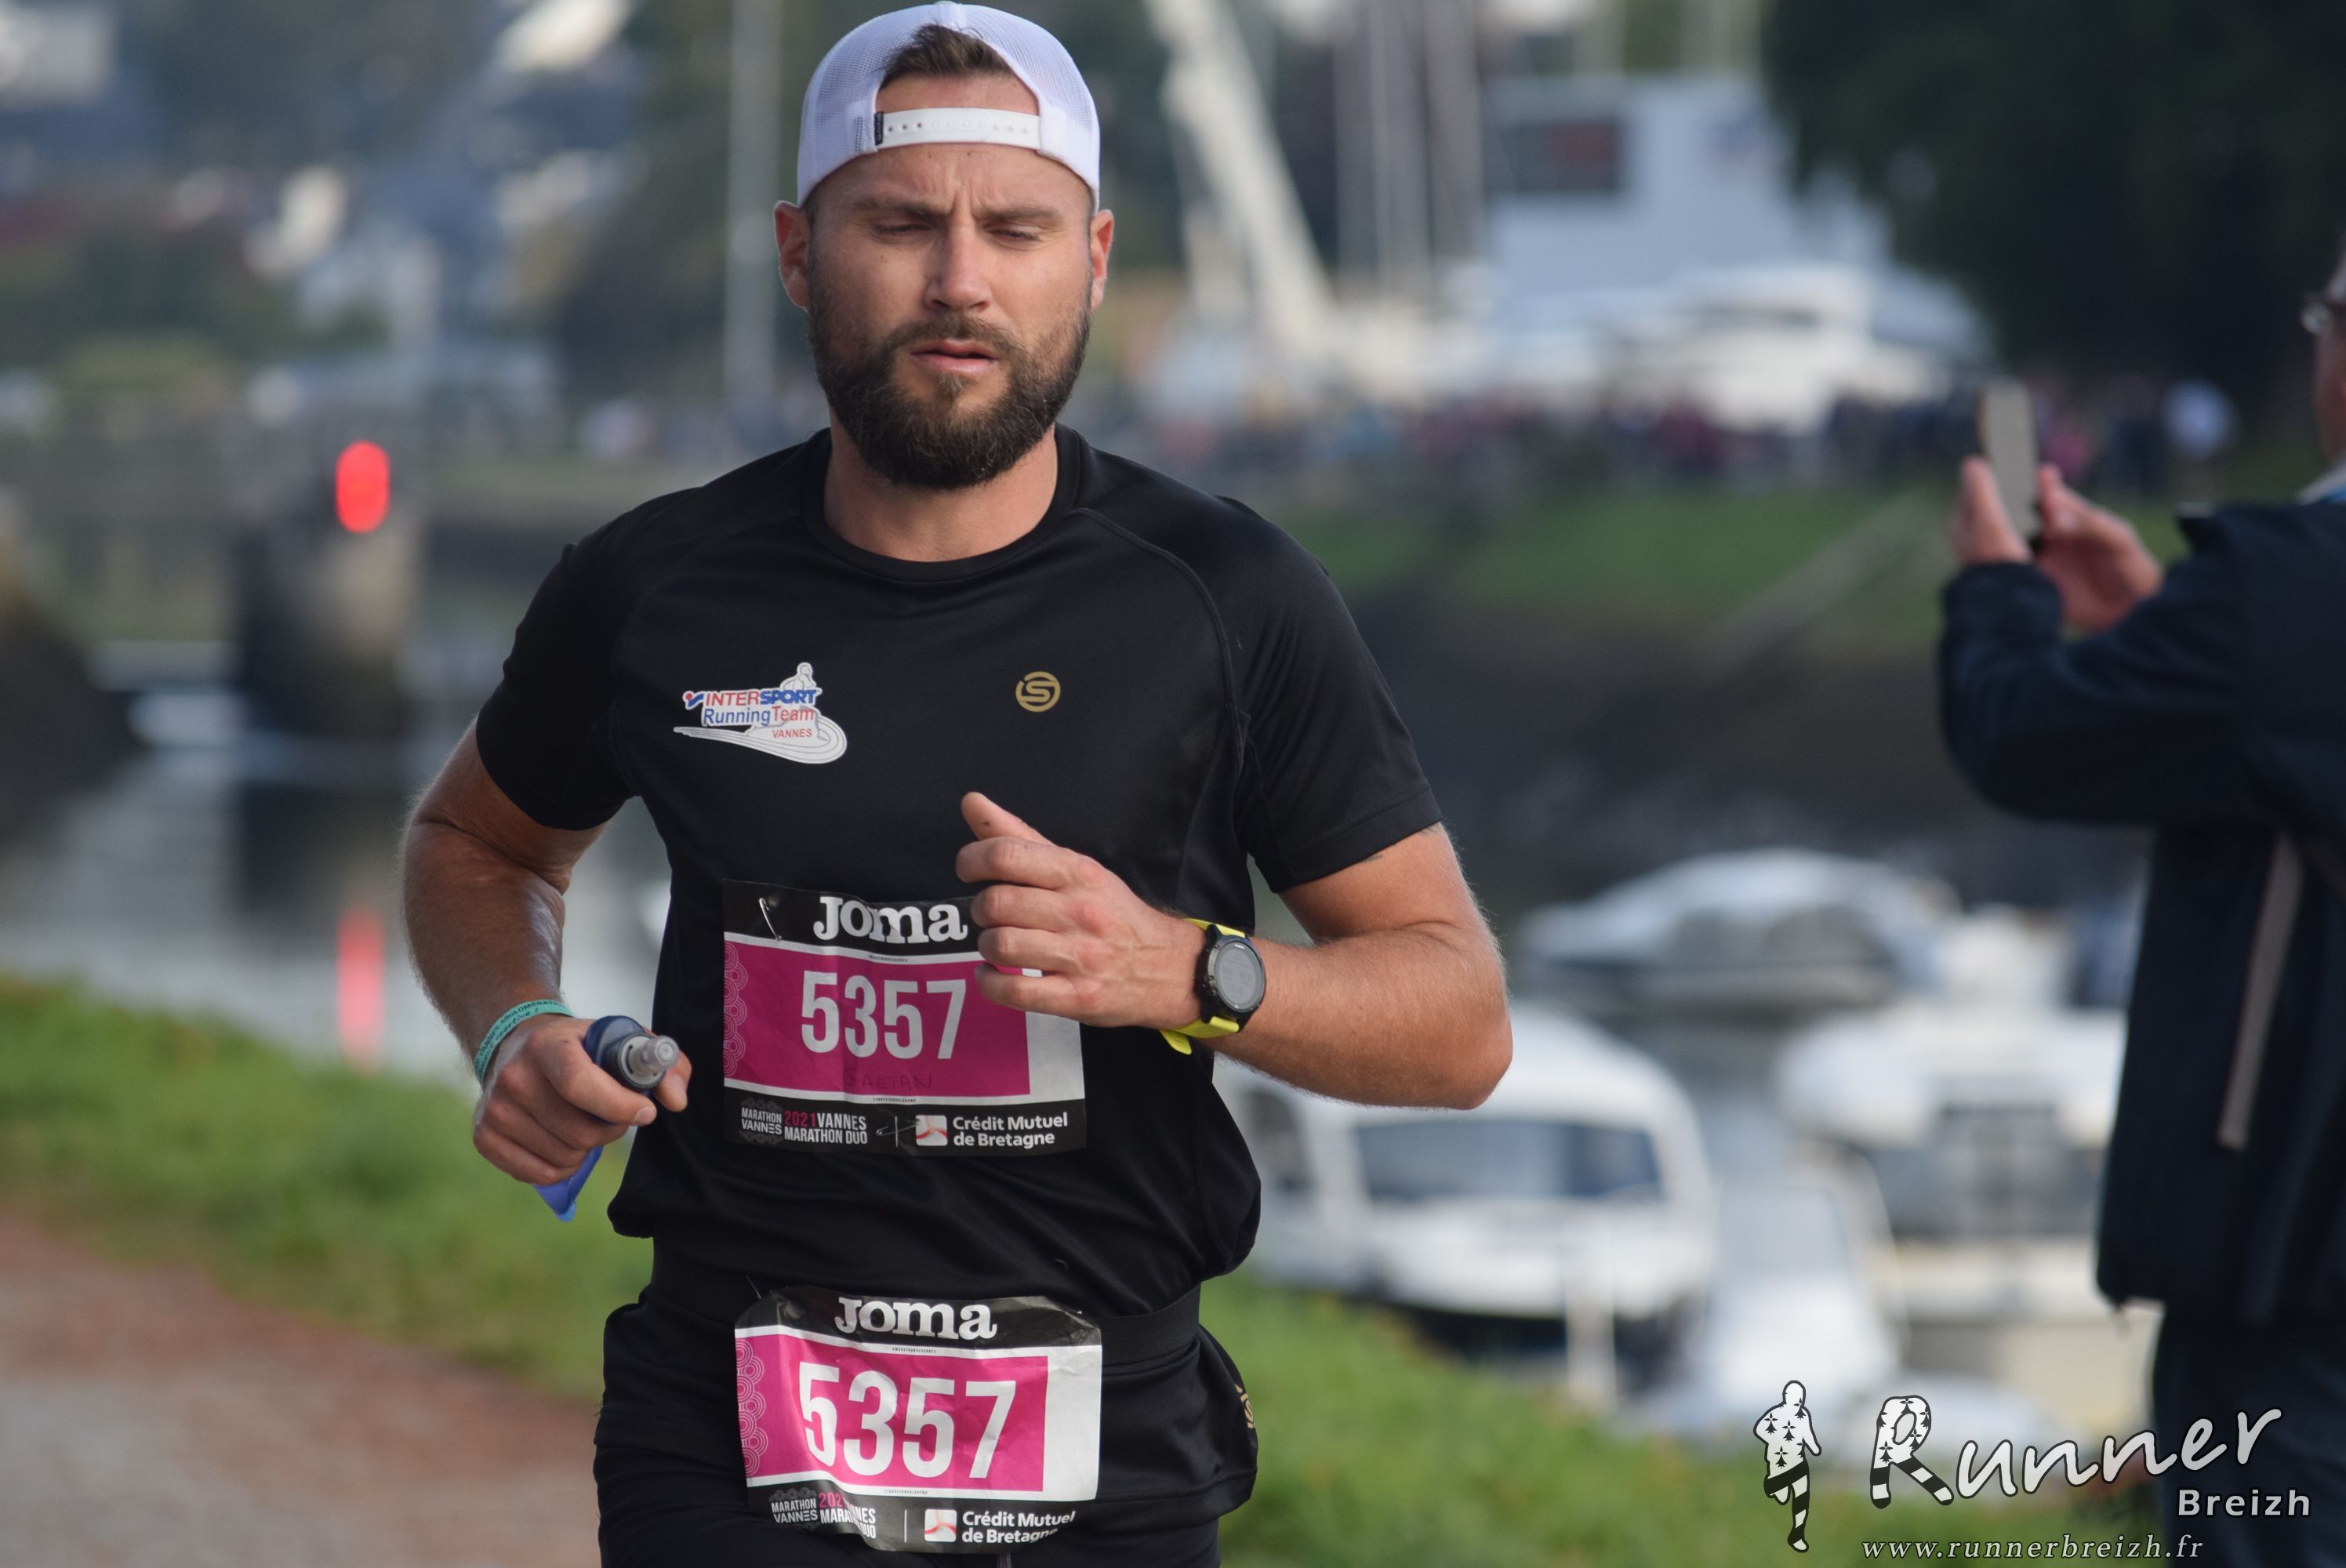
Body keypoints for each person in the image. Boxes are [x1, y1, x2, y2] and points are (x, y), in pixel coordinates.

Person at [398, 6, 1512, 1565]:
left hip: (1104, 1457)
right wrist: (514, 1021)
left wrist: (1186, 969)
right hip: (726, 1436)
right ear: (799, 252)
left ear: (1095, 259)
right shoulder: (657, 588)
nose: (960, 280)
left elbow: (1459, 1019)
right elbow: (476, 841)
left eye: (1016, 229)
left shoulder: (1224, 598)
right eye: (901, 223)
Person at [1939, 234, 2346, 1565]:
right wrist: (2167, 624)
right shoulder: (2269, 615)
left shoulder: (2290, 588)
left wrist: (1999, 590)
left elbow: (2019, 735)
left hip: (2300, 1275)